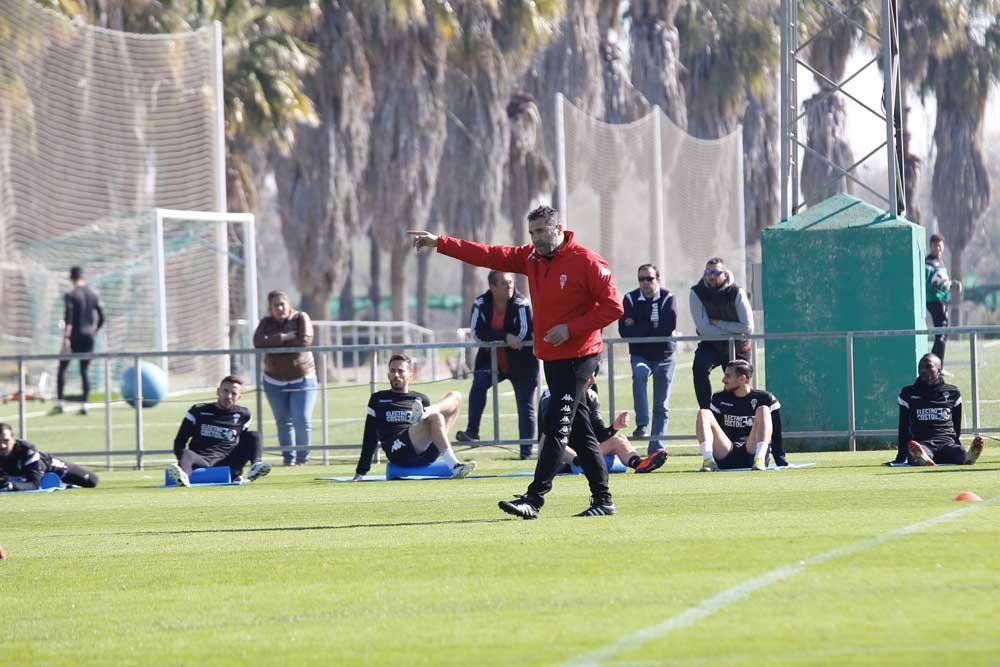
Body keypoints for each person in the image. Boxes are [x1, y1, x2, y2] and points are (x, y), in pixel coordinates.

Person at [410, 204, 625, 518]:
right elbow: (487, 254)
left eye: (541, 231)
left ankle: (534, 500)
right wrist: (438, 242)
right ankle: (603, 501)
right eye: (532, 233)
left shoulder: (587, 262)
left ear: (558, 228)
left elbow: (613, 307)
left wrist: (570, 329)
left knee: (555, 427)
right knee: (579, 432)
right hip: (552, 357)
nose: (536, 239)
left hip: (580, 357)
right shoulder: (532, 258)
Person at [456, 271, 539, 459]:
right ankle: (472, 432)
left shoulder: (521, 303)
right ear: (492, 287)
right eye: (503, 283)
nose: (509, 286)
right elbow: (477, 333)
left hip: (522, 363)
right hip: (490, 359)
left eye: (510, 282)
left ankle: (525, 451)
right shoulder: (480, 303)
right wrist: (503, 337)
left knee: (525, 405)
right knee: (478, 386)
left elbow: (523, 334)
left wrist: (500, 336)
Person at [352, 354, 476, 480]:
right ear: (388, 375)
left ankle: (427, 411)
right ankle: (455, 466)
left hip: (427, 453)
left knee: (456, 396)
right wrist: (361, 472)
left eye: (401, 371)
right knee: (436, 417)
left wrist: (428, 411)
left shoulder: (420, 399)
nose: (396, 375)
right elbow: (370, 436)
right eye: (393, 371)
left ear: (410, 375)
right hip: (398, 451)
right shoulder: (378, 399)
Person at [540, 374, 668, 475]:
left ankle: (640, 463)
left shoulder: (591, 396)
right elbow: (549, 435)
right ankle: (580, 462)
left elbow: (599, 434)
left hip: (583, 452)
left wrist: (614, 428)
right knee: (551, 438)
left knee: (619, 440)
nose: (593, 381)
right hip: (558, 455)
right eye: (588, 375)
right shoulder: (552, 395)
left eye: (594, 375)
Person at [166, 376, 271, 487]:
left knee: (254, 435)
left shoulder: (243, 415)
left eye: (234, 393)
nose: (228, 396)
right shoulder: (198, 411)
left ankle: (255, 466)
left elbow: (244, 440)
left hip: (228, 461)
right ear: (218, 391)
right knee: (186, 453)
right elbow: (180, 440)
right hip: (202, 460)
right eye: (225, 391)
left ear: (239, 396)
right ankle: (183, 476)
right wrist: (181, 460)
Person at [253, 290, 317, 466]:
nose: (279, 308)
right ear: (270, 308)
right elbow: (258, 342)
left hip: (302, 377)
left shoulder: (300, 318)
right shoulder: (265, 323)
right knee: (283, 422)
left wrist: (272, 342)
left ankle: (303, 459)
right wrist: (284, 337)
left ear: (289, 305)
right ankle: (289, 459)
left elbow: (303, 342)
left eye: (282, 304)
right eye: (275, 305)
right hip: (273, 380)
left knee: (301, 418)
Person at [619, 263, 677, 454]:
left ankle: (656, 448)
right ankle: (642, 424)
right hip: (640, 354)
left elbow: (667, 327)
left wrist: (639, 326)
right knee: (639, 373)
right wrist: (651, 326)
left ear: (657, 279)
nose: (645, 283)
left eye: (649, 278)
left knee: (661, 405)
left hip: (665, 356)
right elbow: (624, 330)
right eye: (641, 279)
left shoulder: (668, 297)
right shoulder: (630, 298)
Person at [889, 353, 984, 466]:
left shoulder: (953, 393)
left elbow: (956, 426)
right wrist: (901, 455)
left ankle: (967, 457)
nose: (923, 370)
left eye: (928, 367)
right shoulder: (908, 393)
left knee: (958, 452)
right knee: (916, 454)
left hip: (946, 442)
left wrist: (957, 443)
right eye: (920, 367)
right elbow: (903, 428)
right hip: (923, 443)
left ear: (939, 370)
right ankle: (922, 459)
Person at [695, 360, 787, 472]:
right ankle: (708, 461)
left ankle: (759, 459)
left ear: (742, 379)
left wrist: (781, 462)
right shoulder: (719, 398)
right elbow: (715, 432)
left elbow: (776, 433)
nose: (723, 380)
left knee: (763, 409)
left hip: (752, 452)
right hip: (727, 452)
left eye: (728, 376)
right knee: (703, 413)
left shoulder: (765, 398)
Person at [690, 257, 754, 410]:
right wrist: (733, 330)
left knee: (739, 383)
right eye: (707, 272)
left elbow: (747, 327)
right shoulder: (696, 292)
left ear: (725, 274)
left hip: (739, 346)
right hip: (711, 344)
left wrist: (720, 323)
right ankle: (707, 413)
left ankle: (741, 416)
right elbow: (703, 328)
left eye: (716, 272)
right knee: (699, 368)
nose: (711, 276)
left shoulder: (737, 292)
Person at [52, 266, 105, 415]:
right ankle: (84, 404)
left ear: (71, 278)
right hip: (88, 337)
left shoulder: (71, 295)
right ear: (83, 277)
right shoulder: (93, 294)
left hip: (74, 336)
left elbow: (68, 317)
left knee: (62, 368)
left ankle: (60, 402)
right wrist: (94, 331)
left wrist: (66, 338)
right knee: (84, 370)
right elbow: (102, 317)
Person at [0, 422, 99, 491]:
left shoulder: (26, 450)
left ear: (13, 439)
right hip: (21, 477)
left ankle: (64, 484)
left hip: (51, 468)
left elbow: (34, 484)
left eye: (6, 440)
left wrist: (11, 486)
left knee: (91, 481)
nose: (2, 445)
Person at [925, 234, 961, 363]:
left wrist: (952, 284)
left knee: (942, 332)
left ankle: (936, 364)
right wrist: (933, 287)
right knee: (942, 331)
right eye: (935, 246)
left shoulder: (940, 263)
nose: (938, 249)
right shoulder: (929, 263)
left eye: (940, 246)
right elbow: (924, 282)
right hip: (934, 300)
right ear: (930, 246)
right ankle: (936, 364)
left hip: (942, 300)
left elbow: (943, 282)